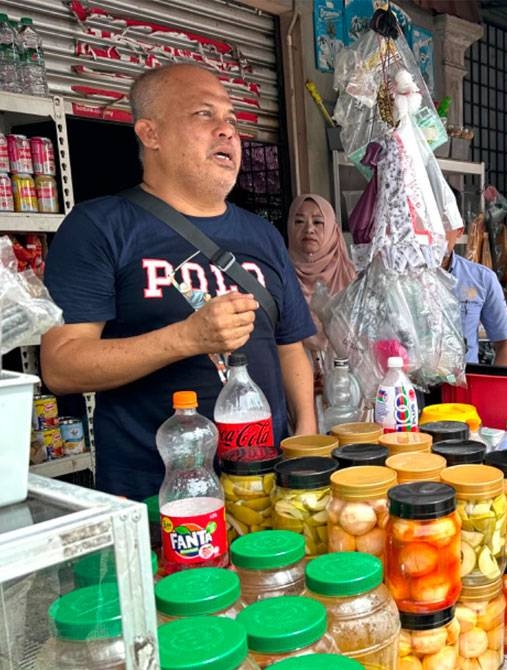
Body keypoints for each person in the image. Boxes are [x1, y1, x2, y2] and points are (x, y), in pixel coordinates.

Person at [41, 63, 317, 500]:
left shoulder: (262, 235)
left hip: (266, 489)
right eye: (204, 115)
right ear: (150, 134)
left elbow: (289, 346)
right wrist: (187, 337)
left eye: (231, 119)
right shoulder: (99, 226)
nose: (227, 131)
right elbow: (61, 366)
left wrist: (305, 437)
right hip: (158, 499)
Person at [286, 193, 356, 356]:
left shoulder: (350, 277)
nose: (309, 229)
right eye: (299, 221)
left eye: (318, 222)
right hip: (294, 370)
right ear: (290, 226)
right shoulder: (279, 276)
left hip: (344, 372)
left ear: (332, 228)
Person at [443, 227, 507, 366]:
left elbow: (504, 344)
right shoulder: (402, 278)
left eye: (443, 225)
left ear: (458, 230)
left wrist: (494, 387)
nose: (436, 233)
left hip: (466, 382)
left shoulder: (482, 278)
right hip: (409, 384)